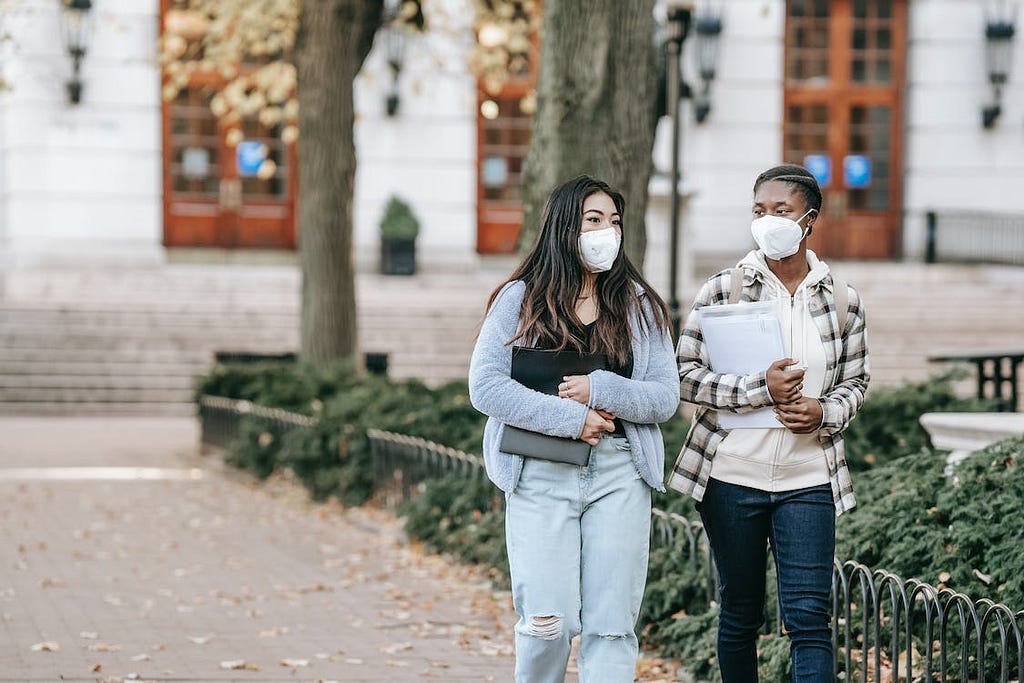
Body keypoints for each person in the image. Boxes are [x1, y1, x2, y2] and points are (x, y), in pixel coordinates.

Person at [468, 175, 679, 682]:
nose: (608, 231)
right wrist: (572, 419)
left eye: (614, 222)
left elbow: (664, 397)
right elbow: (486, 387)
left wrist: (600, 388)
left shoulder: (638, 305)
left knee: (611, 628)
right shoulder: (520, 299)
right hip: (539, 476)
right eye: (594, 220)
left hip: (618, 475)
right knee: (548, 623)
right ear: (565, 227)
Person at [668, 164, 870, 682]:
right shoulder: (723, 289)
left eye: (781, 211)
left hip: (808, 480)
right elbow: (683, 377)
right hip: (732, 477)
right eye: (759, 211)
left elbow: (856, 383)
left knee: (808, 619)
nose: (768, 221)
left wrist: (824, 413)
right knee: (740, 614)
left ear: (810, 220)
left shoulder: (843, 300)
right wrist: (761, 388)